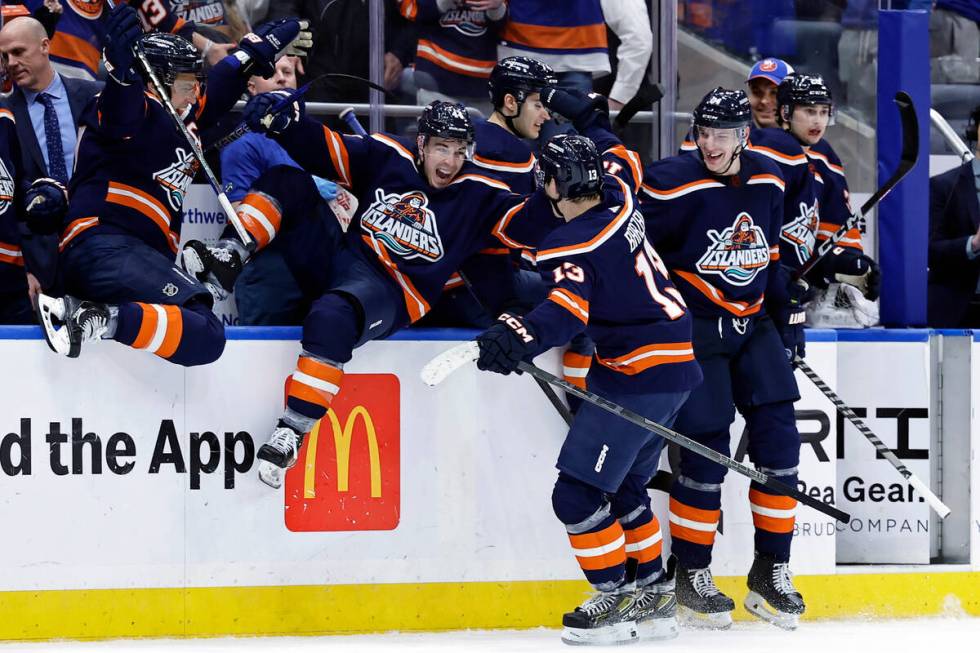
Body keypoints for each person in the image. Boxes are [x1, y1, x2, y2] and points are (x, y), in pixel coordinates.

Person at [182, 99, 559, 489]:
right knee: (287, 178)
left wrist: (556, 195)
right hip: (343, 258)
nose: (450, 160)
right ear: (422, 144)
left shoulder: (481, 194)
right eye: (442, 148)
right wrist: (286, 122)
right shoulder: (387, 153)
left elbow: (528, 224)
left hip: (392, 290)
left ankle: (293, 429)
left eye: (460, 149)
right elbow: (324, 146)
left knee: (330, 317)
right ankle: (229, 256)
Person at [474, 87, 702, 644]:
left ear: (553, 186)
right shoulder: (621, 191)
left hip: (636, 376)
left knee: (575, 495)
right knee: (624, 489)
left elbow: (563, 312)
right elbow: (613, 147)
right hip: (675, 367)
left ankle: (614, 599)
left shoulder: (575, 244)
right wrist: (577, 112)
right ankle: (653, 595)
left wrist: (518, 336)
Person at [35, 4, 308, 363]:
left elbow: (228, 77)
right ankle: (87, 316)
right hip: (102, 246)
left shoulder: (183, 113)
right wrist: (121, 70)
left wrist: (264, 45)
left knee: (205, 336)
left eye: (197, 83)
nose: (195, 93)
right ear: (155, 82)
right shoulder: (133, 105)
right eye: (185, 84)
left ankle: (97, 317)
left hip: (139, 257)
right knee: (203, 325)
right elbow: (122, 106)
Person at [639, 87, 808, 630]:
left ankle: (771, 570)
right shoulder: (666, 182)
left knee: (781, 443)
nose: (711, 144)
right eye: (704, 132)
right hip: (696, 330)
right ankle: (692, 571)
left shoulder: (768, 178)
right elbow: (638, 258)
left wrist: (789, 320)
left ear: (745, 135)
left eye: (724, 134)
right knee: (705, 450)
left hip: (754, 324)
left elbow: (772, 259)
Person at [220, 55, 338, 325]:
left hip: (318, 265)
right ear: (251, 86)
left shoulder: (315, 137)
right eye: (272, 73)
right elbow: (240, 220)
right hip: (271, 276)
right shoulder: (242, 145)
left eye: (288, 72)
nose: (282, 78)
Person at [775, 74, 880, 305]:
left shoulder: (825, 158)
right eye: (810, 111)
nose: (818, 121)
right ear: (785, 113)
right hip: (755, 287)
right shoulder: (762, 150)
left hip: (797, 292)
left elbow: (833, 233)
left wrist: (850, 263)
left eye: (824, 112)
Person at [0, 16, 101, 184]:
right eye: (5, 56)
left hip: (95, 206)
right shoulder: (5, 116)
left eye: (18, 52)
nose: (11, 63)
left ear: (44, 46)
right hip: (35, 208)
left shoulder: (95, 95)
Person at [399, 0, 507, 116]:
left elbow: (504, 23)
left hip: (482, 82)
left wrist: (497, 7)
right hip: (436, 76)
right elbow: (411, 10)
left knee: (484, 132)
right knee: (438, 133)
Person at [928, 104, 980, 328]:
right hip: (956, 311)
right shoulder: (943, 186)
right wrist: (974, 243)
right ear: (976, 130)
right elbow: (930, 251)